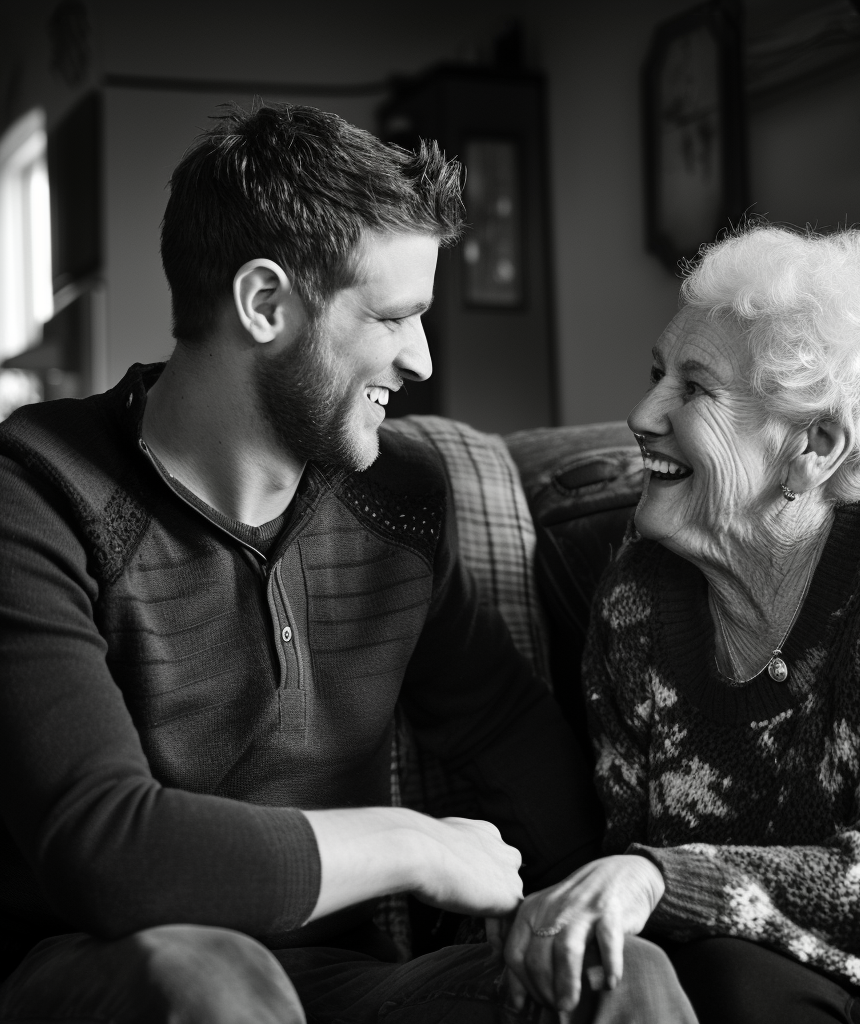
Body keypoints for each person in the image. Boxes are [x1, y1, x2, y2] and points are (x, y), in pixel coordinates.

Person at [0, 103, 611, 1023]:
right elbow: (108, 850)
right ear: (264, 304)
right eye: (394, 316)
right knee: (213, 987)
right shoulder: (39, 492)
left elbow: (505, 731)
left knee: (615, 976)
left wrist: (571, 911)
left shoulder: (400, 499)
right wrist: (409, 844)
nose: (421, 359)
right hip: (108, 965)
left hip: (347, 982)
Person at [502, 225, 860, 1023]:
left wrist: (669, 879)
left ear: (814, 444)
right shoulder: (635, 599)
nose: (642, 414)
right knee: (719, 979)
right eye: (656, 374)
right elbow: (630, 868)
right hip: (771, 987)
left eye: (695, 389)